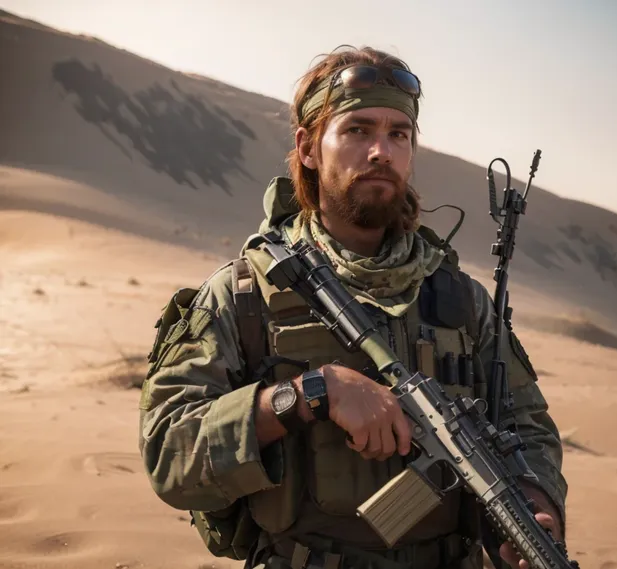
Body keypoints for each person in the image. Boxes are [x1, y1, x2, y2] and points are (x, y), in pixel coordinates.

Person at [138, 45, 568, 569]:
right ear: (309, 148)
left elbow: (527, 426)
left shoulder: (462, 300)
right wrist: (310, 393)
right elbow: (170, 453)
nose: (381, 151)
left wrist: (536, 504)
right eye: (358, 130)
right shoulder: (245, 294)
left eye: (398, 134)